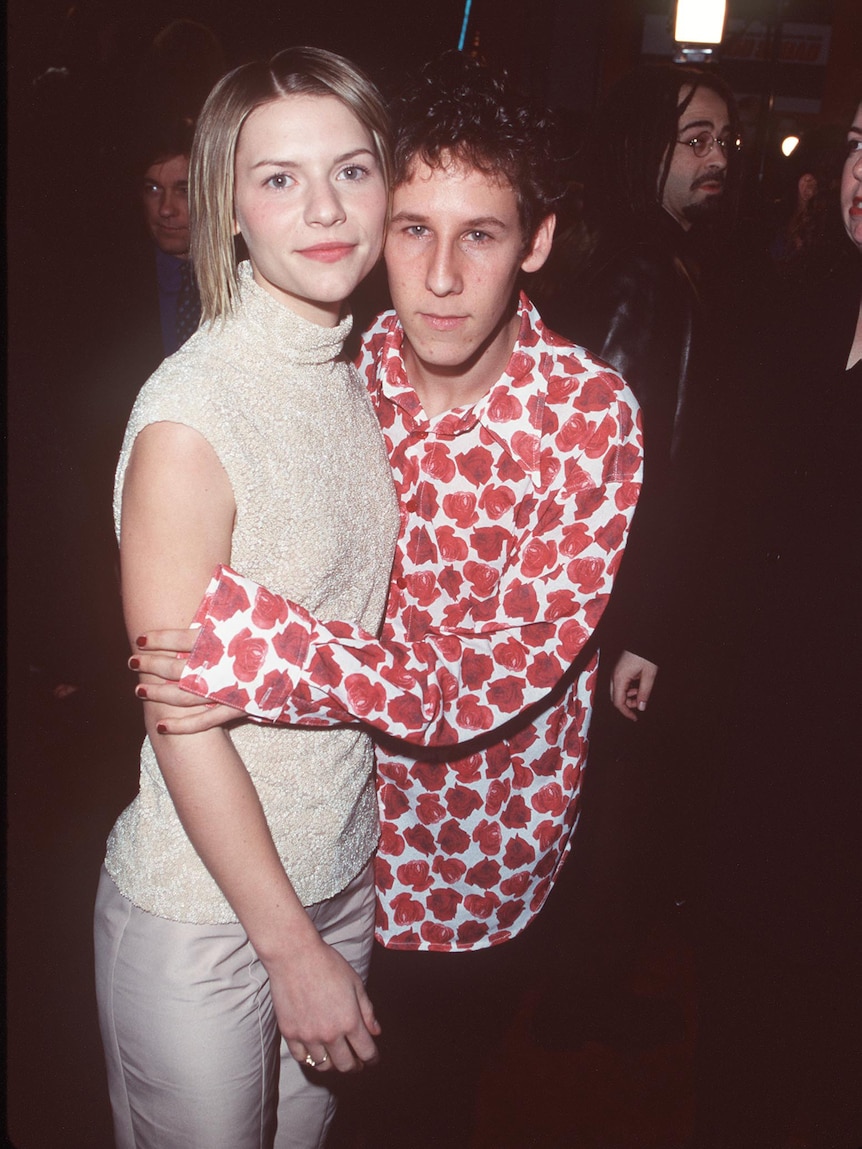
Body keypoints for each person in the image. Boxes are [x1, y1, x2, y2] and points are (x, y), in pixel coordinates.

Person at [131, 51, 642, 1146]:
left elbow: (479, 682)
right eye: (414, 229)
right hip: (327, 852)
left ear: (537, 241)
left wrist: (269, 652)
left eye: (481, 234)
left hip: (470, 879)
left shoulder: (590, 418)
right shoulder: (350, 365)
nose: (441, 276)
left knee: (416, 1114)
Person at [93, 47, 400, 1149]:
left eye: (351, 170)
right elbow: (179, 716)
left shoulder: (350, 371)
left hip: (339, 879)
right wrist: (290, 948)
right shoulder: (194, 417)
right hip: (209, 917)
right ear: (226, 207)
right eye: (279, 178)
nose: (324, 208)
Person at [530, 64, 745, 1048]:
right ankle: (578, 1010)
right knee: (612, 814)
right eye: (694, 139)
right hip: (621, 616)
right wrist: (639, 628)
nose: (717, 157)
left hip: (633, 611)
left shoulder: (666, 258)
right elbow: (610, 477)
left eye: (723, 140)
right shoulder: (639, 272)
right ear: (641, 150)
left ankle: (583, 996)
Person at [690, 97, 862, 1149]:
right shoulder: (806, 297)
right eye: (861, 144)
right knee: (753, 949)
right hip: (772, 696)